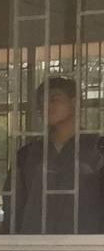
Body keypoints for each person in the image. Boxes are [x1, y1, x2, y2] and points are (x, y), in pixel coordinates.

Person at [8, 76, 104, 235]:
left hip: (88, 243)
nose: (46, 107)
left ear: (75, 102)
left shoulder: (98, 148)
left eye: (54, 100)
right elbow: (13, 205)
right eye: (41, 103)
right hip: (34, 243)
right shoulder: (27, 154)